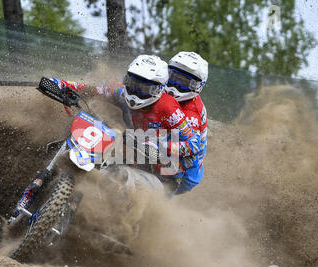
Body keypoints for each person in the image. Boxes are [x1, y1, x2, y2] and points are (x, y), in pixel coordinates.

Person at [49, 55, 203, 195]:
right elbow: (94, 89)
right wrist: (63, 85)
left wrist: (161, 147)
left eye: (144, 89)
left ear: (158, 90)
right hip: (136, 157)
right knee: (106, 153)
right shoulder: (122, 93)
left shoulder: (169, 108)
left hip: (165, 176)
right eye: (132, 84)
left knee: (121, 181)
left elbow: (195, 144)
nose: (135, 91)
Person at [164, 51, 209, 187]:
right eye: (172, 77)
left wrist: (160, 147)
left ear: (197, 86)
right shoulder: (163, 91)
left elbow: (192, 147)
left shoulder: (192, 113)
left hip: (185, 173)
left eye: (184, 83)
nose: (174, 86)